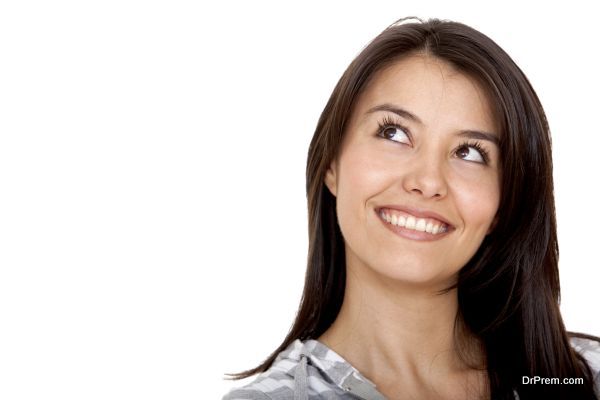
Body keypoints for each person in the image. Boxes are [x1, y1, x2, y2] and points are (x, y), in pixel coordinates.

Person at [221, 17, 600, 400]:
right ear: (331, 162)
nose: (428, 180)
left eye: (469, 152)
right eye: (394, 133)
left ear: (505, 203)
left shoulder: (580, 381)